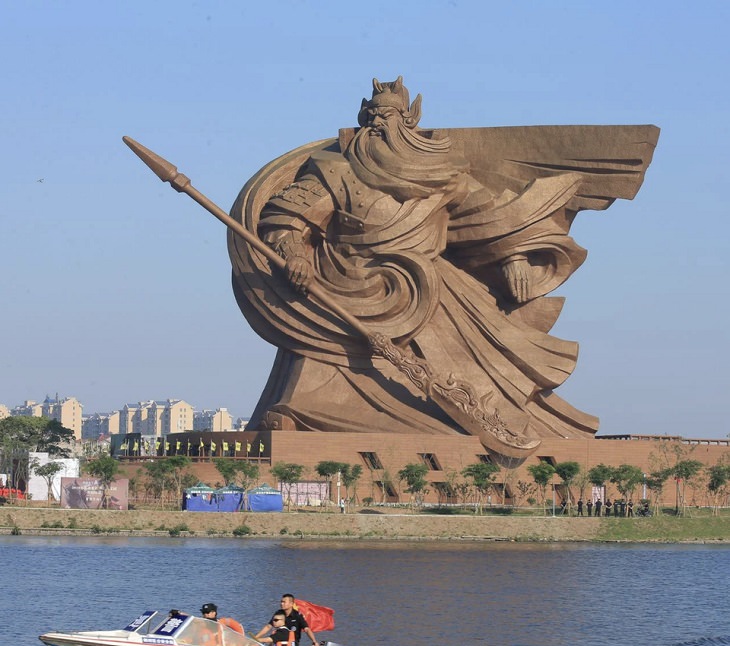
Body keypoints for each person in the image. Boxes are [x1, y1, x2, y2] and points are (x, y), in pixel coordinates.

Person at [225, 76, 661, 449]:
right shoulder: (334, 171)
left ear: (408, 122)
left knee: (485, 367)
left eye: (387, 116)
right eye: (372, 116)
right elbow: (286, 219)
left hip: (430, 292)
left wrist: (512, 257)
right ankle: (310, 413)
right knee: (316, 360)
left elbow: (486, 216)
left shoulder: (439, 172)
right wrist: (295, 254)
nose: (378, 124)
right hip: (343, 292)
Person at [254, 593, 320, 646]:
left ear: (291, 604)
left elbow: (307, 629)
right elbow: (268, 626)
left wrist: (314, 641)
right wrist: (255, 637)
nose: (281, 604)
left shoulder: (298, 615)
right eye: (281, 602)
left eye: (284, 602)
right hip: (278, 640)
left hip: (292, 645)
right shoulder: (279, 613)